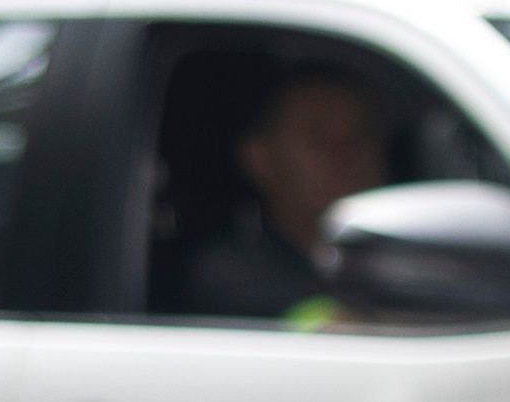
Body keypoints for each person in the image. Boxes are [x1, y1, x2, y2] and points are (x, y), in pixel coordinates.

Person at [160, 48, 410, 325]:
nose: (346, 153)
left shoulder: (411, 258)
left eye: (362, 133)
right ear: (260, 159)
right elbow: (330, 331)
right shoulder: (229, 272)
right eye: (318, 138)